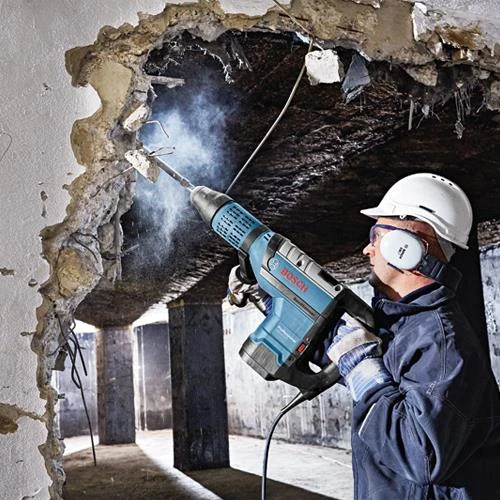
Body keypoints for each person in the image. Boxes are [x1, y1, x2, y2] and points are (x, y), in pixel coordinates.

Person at [228, 173, 500, 499]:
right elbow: (338, 346)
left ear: (406, 248)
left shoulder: (441, 344)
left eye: (377, 236)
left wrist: (363, 369)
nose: (367, 249)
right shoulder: (402, 325)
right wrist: (271, 299)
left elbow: (420, 455)